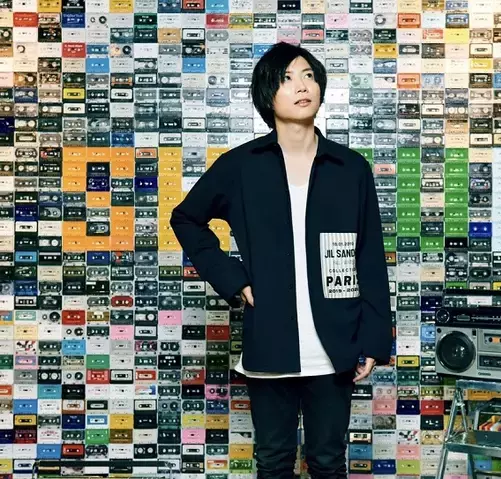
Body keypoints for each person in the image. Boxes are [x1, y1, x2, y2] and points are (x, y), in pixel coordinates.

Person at [170, 42, 393, 479]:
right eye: (287, 78)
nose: (301, 86)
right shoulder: (241, 165)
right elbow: (186, 218)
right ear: (266, 95)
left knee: (328, 462)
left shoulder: (350, 167)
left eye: (308, 75)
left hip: (336, 342)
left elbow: (369, 257)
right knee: (273, 461)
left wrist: (373, 339)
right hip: (270, 340)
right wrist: (233, 279)